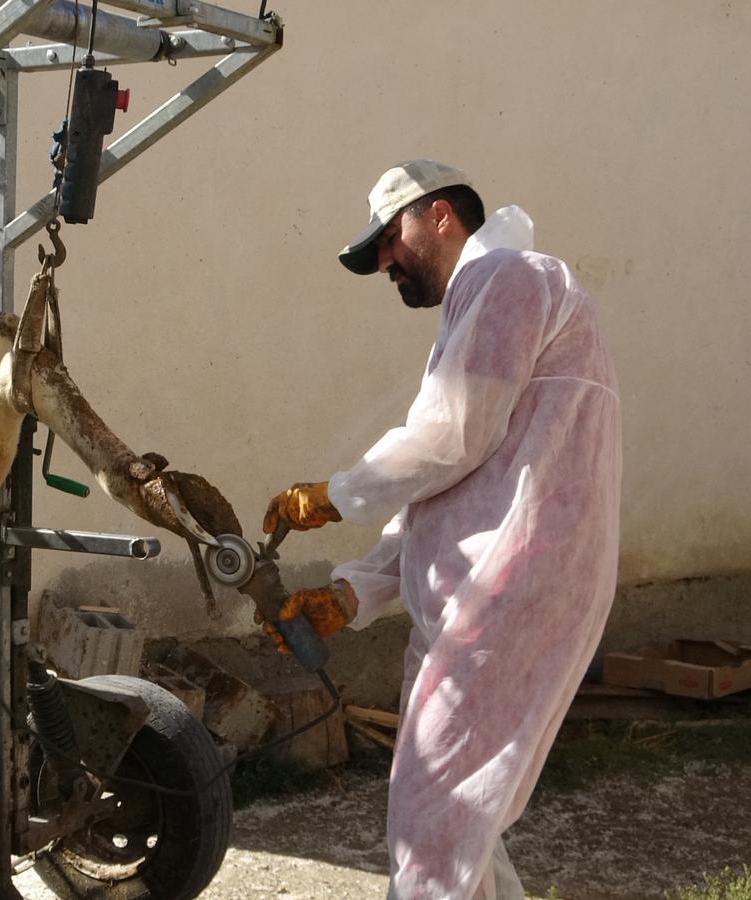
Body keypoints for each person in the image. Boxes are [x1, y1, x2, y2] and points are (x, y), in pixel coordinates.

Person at [259, 160, 621, 899]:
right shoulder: (480, 306)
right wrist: (351, 594)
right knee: (457, 830)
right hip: (482, 593)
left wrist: (331, 495)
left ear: (443, 215)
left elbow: (449, 438)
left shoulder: (514, 278)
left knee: (432, 829)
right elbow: (448, 490)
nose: (386, 261)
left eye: (392, 237)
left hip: (504, 593)